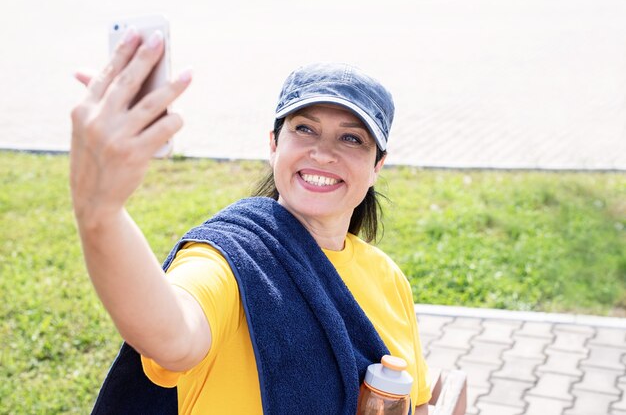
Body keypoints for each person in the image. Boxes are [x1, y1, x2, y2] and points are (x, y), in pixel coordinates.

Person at [71, 26, 431, 415]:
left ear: (378, 165)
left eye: (351, 139)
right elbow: (173, 336)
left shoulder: (389, 278)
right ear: (274, 144)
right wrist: (101, 213)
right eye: (305, 129)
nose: (323, 154)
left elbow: (418, 402)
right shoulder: (231, 261)